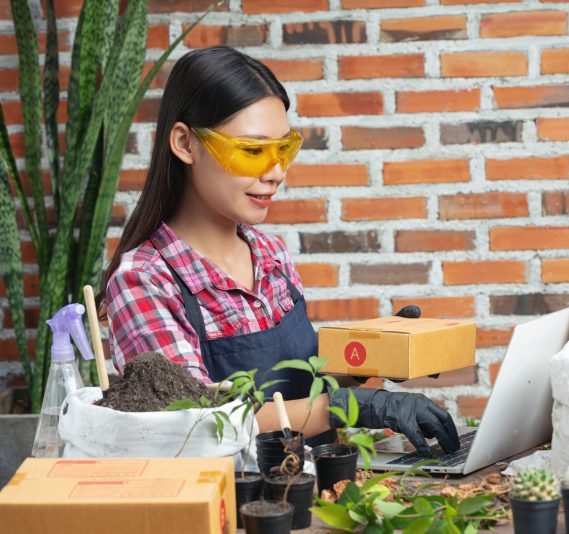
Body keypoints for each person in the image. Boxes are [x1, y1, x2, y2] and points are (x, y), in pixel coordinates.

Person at [97, 46, 459, 455]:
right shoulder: (144, 279)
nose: (276, 173)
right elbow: (198, 425)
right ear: (184, 143)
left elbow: (295, 389)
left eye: (282, 150)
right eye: (253, 151)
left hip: (317, 491)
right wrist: (354, 407)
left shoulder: (270, 255)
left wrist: (369, 360)